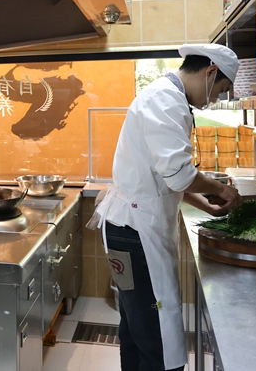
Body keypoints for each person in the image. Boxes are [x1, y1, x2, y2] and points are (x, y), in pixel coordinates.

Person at [90, 44, 242, 371]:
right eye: (221, 90)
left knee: (137, 325)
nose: (214, 99)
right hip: (135, 231)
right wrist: (221, 190)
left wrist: (205, 204)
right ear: (211, 71)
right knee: (156, 335)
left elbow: (165, 177)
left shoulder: (167, 97)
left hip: (126, 227)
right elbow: (178, 175)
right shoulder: (165, 100)